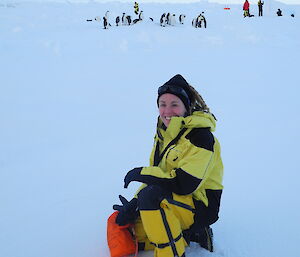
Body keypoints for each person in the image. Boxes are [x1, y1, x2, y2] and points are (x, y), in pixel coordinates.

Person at [112, 74, 224, 257]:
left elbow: (185, 184)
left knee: (151, 200)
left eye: (174, 104)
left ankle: (182, 243)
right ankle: (190, 234)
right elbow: (159, 175)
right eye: (162, 104)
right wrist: (134, 202)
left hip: (200, 204)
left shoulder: (201, 137)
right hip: (175, 198)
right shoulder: (165, 133)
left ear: (186, 107)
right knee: (132, 233)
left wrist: (141, 174)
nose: (167, 111)